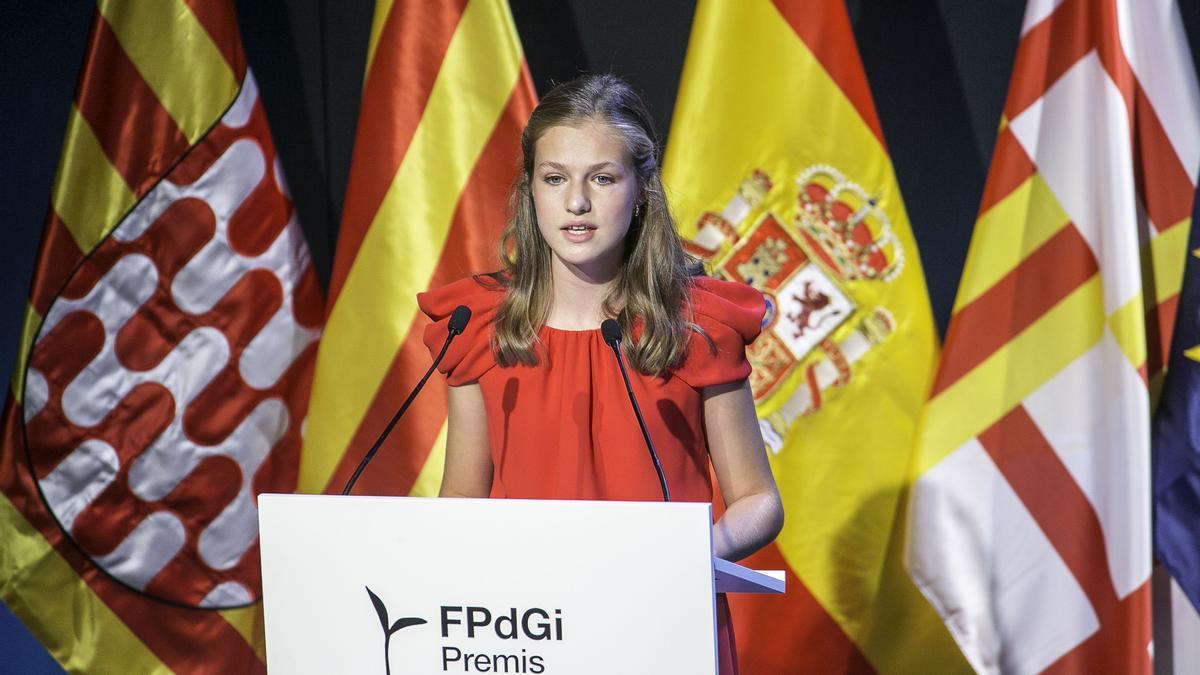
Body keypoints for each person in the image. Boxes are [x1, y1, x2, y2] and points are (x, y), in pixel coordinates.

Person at [418, 73, 783, 674]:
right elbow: (461, 496)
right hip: (525, 628)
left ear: (641, 190)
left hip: (661, 622)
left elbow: (758, 501)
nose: (576, 203)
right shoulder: (482, 328)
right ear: (530, 189)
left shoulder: (695, 327)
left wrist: (690, 554)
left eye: (603, 179)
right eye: (555, 178)